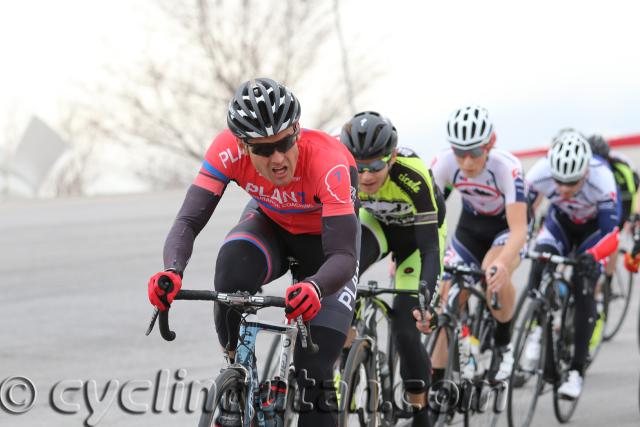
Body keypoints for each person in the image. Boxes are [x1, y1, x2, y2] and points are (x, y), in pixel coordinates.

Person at [147, 78, 360, 426]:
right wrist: (172, 270)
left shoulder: (329, 162)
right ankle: (238, 377)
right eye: (263, 149)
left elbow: (344, 256)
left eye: (284, 142)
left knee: (314, 371)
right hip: (271, 227)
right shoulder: (225, 151)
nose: (277, 158)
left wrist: (316, 287)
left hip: (327, 251)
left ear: (297, 130)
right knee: (230, 270)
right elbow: (187, 220)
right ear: (243, 146)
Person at [340, 111, 446, 426]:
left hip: (417, 238)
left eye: (376, 166)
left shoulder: (412, 175)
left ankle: (420, 412)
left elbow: (430, 248)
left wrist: (425, 300)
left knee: (405, 330)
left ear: (393, 156)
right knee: (343, 275)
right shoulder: (342, 171)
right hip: (378, 226)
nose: (367, 175)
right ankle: (346, 365)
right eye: (360, 168)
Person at [426, 104, 529, 382]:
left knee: (492, 269)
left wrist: (504, 264)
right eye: (460, 152)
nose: (467, 162)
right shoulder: (444, 163)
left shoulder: (507, 168)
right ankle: (436, 386)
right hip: (470, 231)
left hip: (504, 231)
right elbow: (426, 214)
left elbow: (520, 231)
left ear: (490, 145)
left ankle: (504, 345)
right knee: (447, 299)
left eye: (475, 152)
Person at [525, 130, 619, 399]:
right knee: (539, 261)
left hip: (593, 232)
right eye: (559, 181)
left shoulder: (603, 180)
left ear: (586, 172)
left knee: (584, 285)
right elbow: (520, 212)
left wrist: (594, 256)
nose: (564, 189)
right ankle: (535, 329)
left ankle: (577, 371)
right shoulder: (539, 172)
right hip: (560, 225)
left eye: (572, 182)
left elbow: (611, 235)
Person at [587, 134, 640, 271]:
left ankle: (608, 283)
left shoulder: (620, 167)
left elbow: (633, 193)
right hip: (603, 200)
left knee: (613, 237)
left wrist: (633, 217)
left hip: (625, 198)